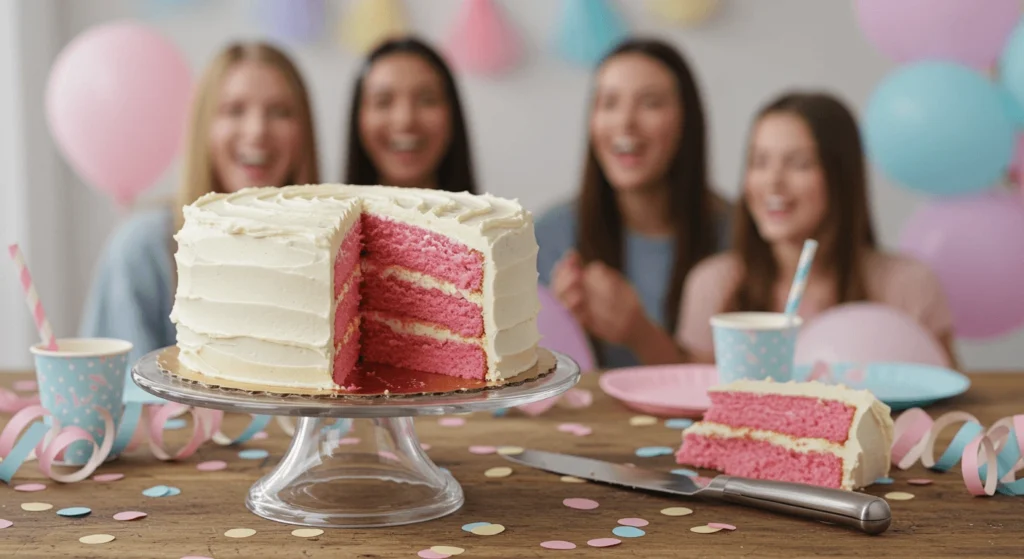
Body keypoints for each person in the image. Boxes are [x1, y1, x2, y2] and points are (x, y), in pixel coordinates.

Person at [677, 91, 959, 367]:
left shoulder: (908, 286)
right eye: (759, 162)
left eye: (799, 164)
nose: (773, 181)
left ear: (841, 176)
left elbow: (949, 406)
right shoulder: (714, 285)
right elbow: (699, 400)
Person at [80, 42, 320, 364]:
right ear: (204, 127)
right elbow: (119, 395)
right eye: (234, 110)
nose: (257, 130)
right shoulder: (143, 249)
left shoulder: (330, 258)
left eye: (279, 112)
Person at [536, 38, 731, 369]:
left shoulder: (735, 235)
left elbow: (720, 386)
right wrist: (559, 325)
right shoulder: (548, 236)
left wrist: (640, 333)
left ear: (687, 120)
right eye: (609, 103)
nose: (625, 122)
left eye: (650, 103)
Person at [344, 37, 478, 194]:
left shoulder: (501, 218)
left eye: (427, 101)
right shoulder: (325, 217)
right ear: (359, 117)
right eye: (383, 102)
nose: (405, 120)